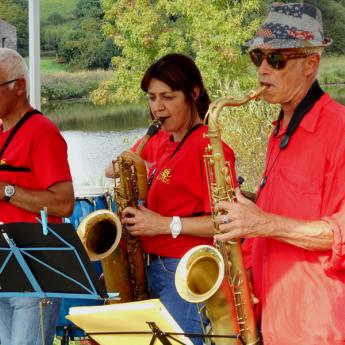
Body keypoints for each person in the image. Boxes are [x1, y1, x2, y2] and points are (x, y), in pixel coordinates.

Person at [214, 3, 345, 345]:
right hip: (274, 319)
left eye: (276, 60)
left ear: (310, 65)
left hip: (318, 328)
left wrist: (262, 223)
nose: (261, 72)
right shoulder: (281, 128)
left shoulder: (340, 130)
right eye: (258, 56)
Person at [105, 53, 237, 345]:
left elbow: (226, 222)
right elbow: (110, 171)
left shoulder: (211, 148)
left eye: (167, 97)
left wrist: (165, 224)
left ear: (193, 93)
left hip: (183, 271)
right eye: (152, 97)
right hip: (148, 267)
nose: (157, 108)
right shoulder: (160, 140)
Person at [0, 48, 74, 345]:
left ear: (19, 86)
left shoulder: (41, 132)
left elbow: (64, 202)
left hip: (34, 271)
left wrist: (7, 191)